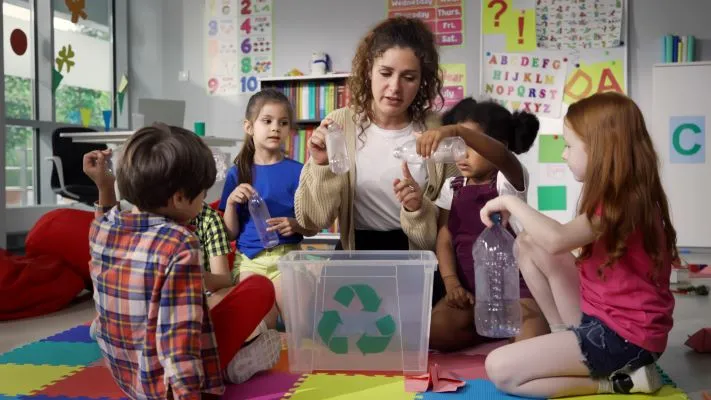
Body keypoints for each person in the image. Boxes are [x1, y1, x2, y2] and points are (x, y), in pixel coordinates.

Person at [466, 93, 675, 397]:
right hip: (600, 317)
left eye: (569, 145)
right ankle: (564, 338)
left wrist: (509, 200)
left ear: (602, 149)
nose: (564, 155)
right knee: (527, 241)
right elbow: (549, 240)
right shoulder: (616, 194)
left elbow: (557, 240)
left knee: (500, 370)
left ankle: (618, 382)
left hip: (625, 338)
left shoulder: (626, 203)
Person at [84, 124, 281, 399]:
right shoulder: (179, 244)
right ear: (178, 198)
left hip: (125, 377)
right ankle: (233, 363)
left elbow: (105, 218)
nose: (204, 201)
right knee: (259, 287)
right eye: (202, 193)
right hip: (164, 386)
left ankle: (233, 361)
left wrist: (104, 185)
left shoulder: (103, 228)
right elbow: (178, 336)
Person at [294, 17, 458, 260]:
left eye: (409, 77)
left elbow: (445, 232)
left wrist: (418, 208)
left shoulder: (436, 130)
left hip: (417, 260)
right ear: (368, 70)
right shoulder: (340, 124)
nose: (394, 87)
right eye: (385, 73)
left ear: (422, 80)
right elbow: (311, 221)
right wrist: (321, 165)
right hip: (356, 255)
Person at [422, 98, 549, 351]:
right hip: (473, 295)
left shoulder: (509, 180)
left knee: (531, 351)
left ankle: (510, 332)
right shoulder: (453, 187)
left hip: (517, 295)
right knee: (431, 334)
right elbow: (445, 236)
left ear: (496, 145)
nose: (461, 153)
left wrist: (458, 130)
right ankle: (489, 333)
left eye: (469, 144)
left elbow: (502, 157)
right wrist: (452, 284)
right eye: (456, 146)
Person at [219, 89, 317, 329]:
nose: (275, 128)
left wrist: (296, 224)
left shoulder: (299, 171)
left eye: (283, 123)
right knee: (262, 325)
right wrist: (231, 202)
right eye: (267, 121)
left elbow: (312, 227)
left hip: (288, 257)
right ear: (249, 127)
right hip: (250, 262)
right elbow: (230, 233)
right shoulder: (237, 173)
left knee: (301, 325)